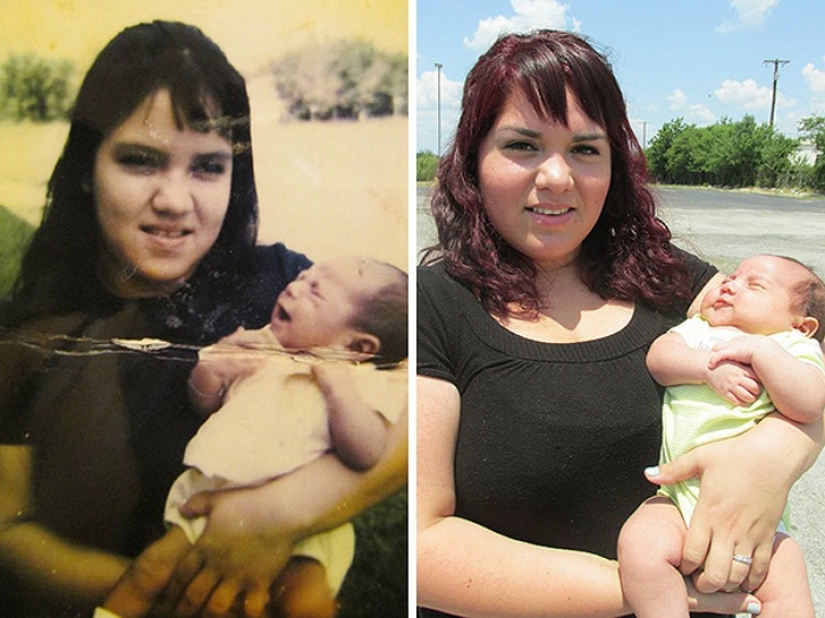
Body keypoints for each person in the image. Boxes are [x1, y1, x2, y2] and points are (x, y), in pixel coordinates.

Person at [0, 20, 407, 618]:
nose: (174, 201)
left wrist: (273, 516)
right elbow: (9, 532)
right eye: (140, 161)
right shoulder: (33, 332)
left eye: (208, 167)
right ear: (87, 167)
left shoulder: (283, 290)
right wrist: (182, 592)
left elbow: (411, 411)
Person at [416, 29, 823, 618]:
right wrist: (650, 589)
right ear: (472, 158)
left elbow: (802, 349)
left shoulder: (666, 278)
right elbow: (422, 545)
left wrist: (777, 454)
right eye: (523, 145)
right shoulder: (429, 305)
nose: (557, 178)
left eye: (586, 149)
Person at [162, 256, 408, 617]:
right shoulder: (258, 344)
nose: (293, 288)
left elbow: (366, 453)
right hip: (220, 490)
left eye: (315, 292)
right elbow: (205, 405)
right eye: (301, 279)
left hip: (310, 519)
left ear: (356, 347)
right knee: (162, 574)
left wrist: (338, 390)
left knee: (304, 602)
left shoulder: (361, 382)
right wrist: (210, 372)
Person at [618, 255, 825, 618]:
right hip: (678, 496)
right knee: (640, 546)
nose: (730, 285)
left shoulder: (792, 346)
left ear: (802, 325)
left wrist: (762, 352)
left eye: (754, 285)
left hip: (755, 514)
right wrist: (704, 369)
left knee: (786, 580)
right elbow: (660, 359)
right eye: (731, 277)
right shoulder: (699, 328)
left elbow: (810, 404)